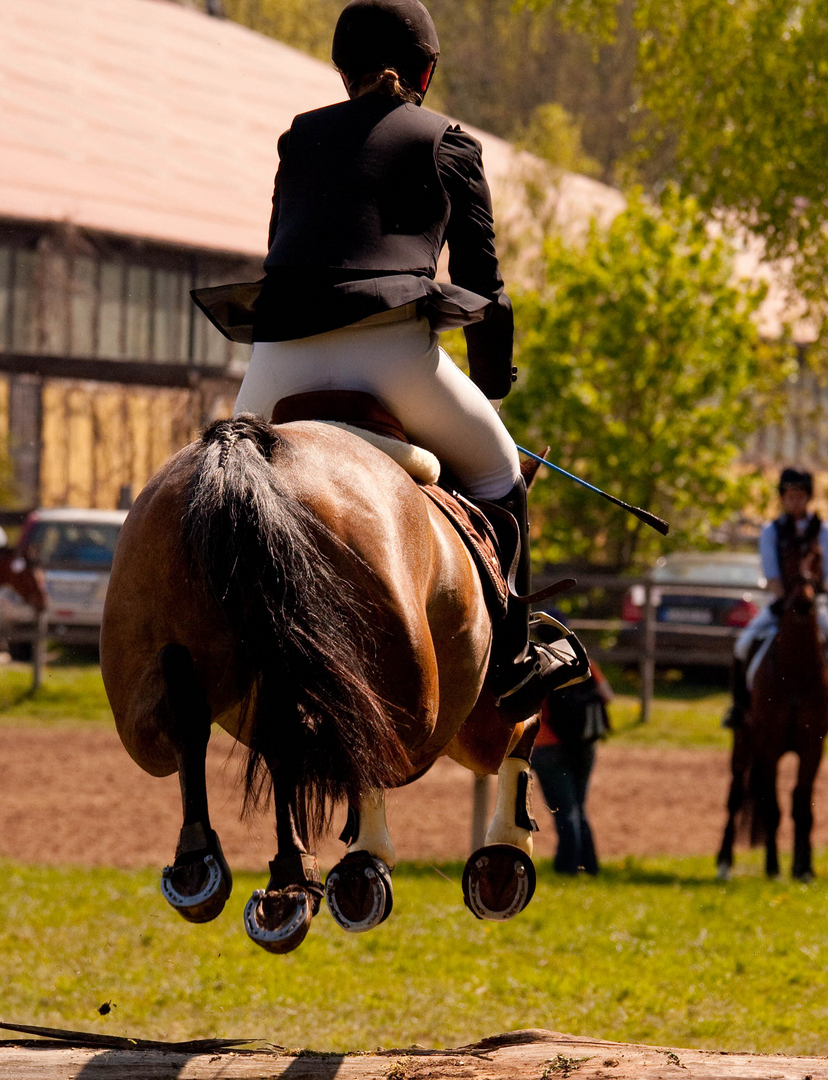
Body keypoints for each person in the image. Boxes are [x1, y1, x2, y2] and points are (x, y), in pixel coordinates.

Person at [193, 0, 588, 718]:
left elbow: (288, 248)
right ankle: (513, 661)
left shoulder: (300, 138)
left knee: (228, 498)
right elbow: (484, 290)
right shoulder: (448, 142)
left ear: (341, 72)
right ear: (427, 72)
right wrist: (491, 388)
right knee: (501, 473)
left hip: (277, 356)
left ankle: (211, 642)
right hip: (393, 354)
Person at [726, 467, 828, 739]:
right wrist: (785, 600)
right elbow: (771, 573)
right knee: (742, 646)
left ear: (808, 497)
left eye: (800, 496)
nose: (795, 501)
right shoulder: (771, 531)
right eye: (790, 496)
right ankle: (739, 708)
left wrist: (808, 595)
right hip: (780, 604)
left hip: (814, 607)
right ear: (782, 498)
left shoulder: (823, 530)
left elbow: (827, 572)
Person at [532, 649, 612, 875]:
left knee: (565, 810)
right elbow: (607, 695)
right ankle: (589, 865)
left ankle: (567, 867)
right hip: (583, 744)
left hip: (547, 746)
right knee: (577, 807)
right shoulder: (583, 659)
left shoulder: (537, 662)